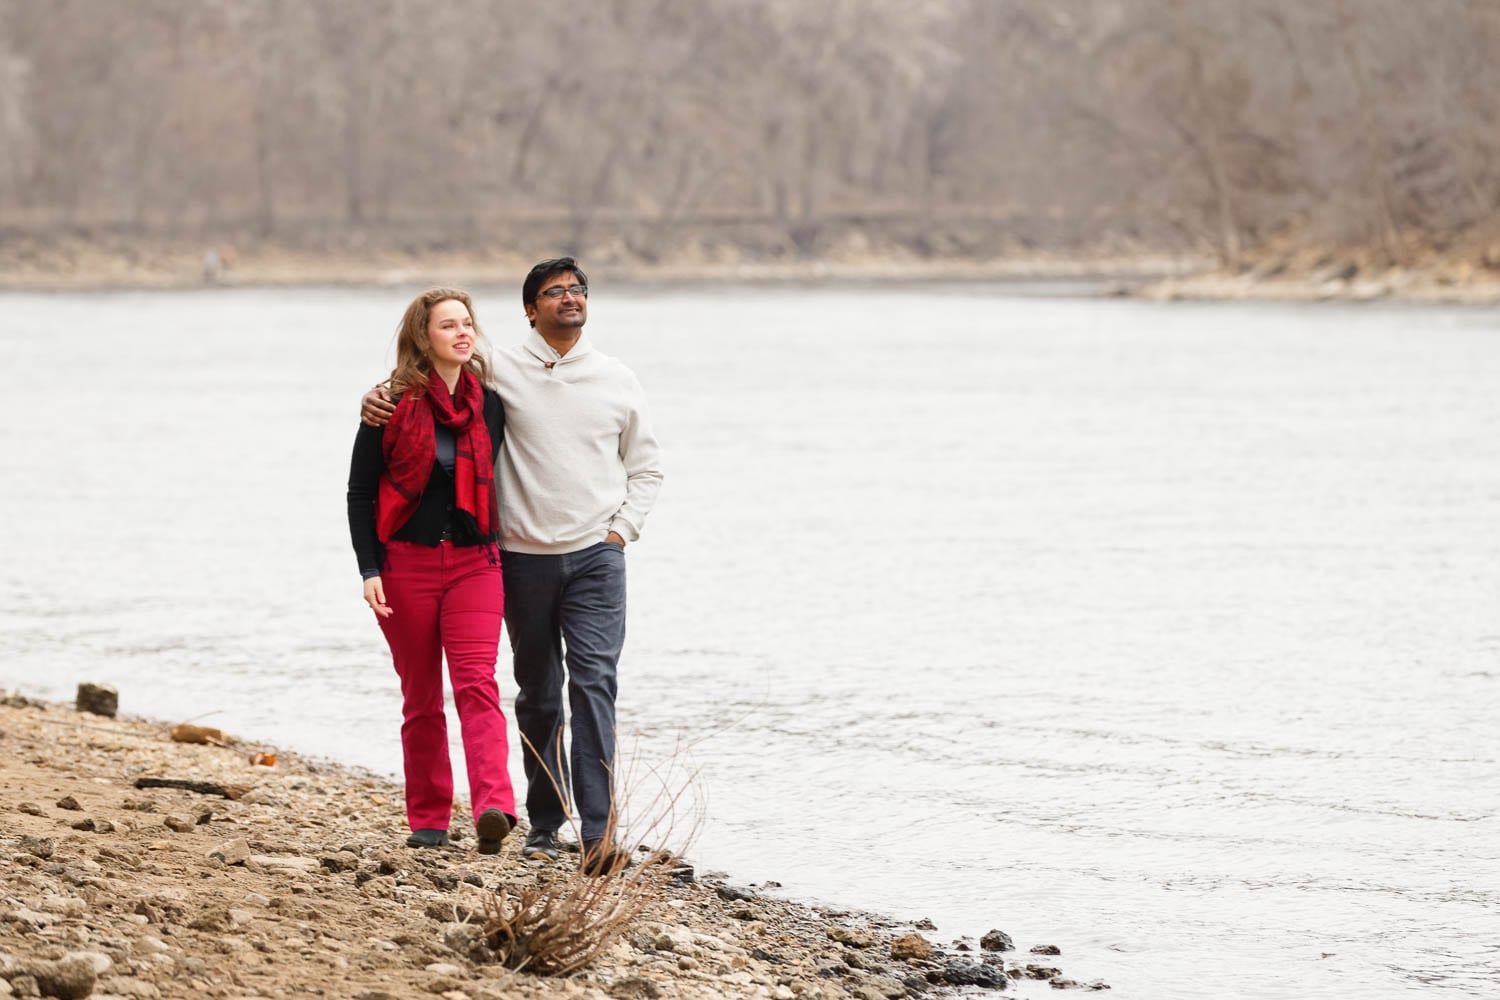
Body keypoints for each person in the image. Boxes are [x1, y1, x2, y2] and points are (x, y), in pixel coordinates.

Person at [363, 258, 662, 876]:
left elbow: (647, 466)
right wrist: (377, 396)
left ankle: (600, 833)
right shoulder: (497, 369)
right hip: (521, 559)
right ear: (530, 309)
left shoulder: (617, 378)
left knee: (595, 686)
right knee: (539, 695)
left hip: (597, 559)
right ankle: (545, 826)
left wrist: (621, 531)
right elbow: (430, 371)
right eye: (554, 292)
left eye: (578, 289)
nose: (569, 298)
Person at [347, 287, 517, 853]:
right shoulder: (389, 405)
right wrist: (368, 568)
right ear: (424, 338)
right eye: (449, 326)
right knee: (420, 696)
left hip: (476, 562)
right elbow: (360, 493)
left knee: (478, 684)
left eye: (468, 323)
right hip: (406, 565)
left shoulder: (488, 402)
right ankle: (428, 819)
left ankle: (495, 807)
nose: (463, 333)